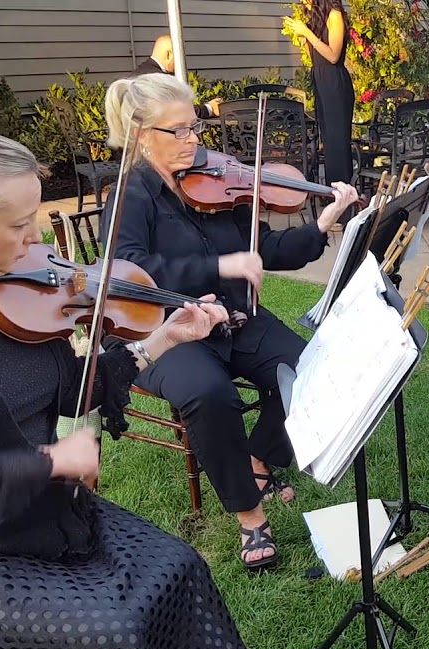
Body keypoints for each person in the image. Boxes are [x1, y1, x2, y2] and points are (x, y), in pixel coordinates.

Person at [0, 128, 272, 649]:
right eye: (18, 226)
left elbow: (66, 384)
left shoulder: (2, 287)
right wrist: (53, 461)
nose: (36, 238)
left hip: (44, 512)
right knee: (108, 634)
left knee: (182, 569)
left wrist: (162, 338)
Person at [102, 73, 360, 571]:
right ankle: (250, 516)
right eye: (175, 131)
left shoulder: (214, 180)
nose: (192, 140)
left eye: (193, 127)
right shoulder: (130, 196)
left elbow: (263, 247)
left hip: (231, 319)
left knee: (310, 368)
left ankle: (258, 458)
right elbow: (128, 272)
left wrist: (323, 225)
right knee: (208, 393)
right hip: (167, 330)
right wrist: (216, 267)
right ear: (140, 135)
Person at [284, 0, 355, 196]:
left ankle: (344, 197)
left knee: (338, 143)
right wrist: (304, 37)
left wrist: (308, 33)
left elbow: (333, 56)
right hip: (321, 80)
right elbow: (315, 56)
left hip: (335, 83)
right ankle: (334, 194)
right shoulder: (317, 19)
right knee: (328, 144)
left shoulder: (335, 15)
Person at [132, 35, 222, 119]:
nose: (182, 61)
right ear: (168, 54)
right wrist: (209, 109)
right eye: (180, 56)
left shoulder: (142, 72)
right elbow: (175, 112)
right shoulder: (157, 79)